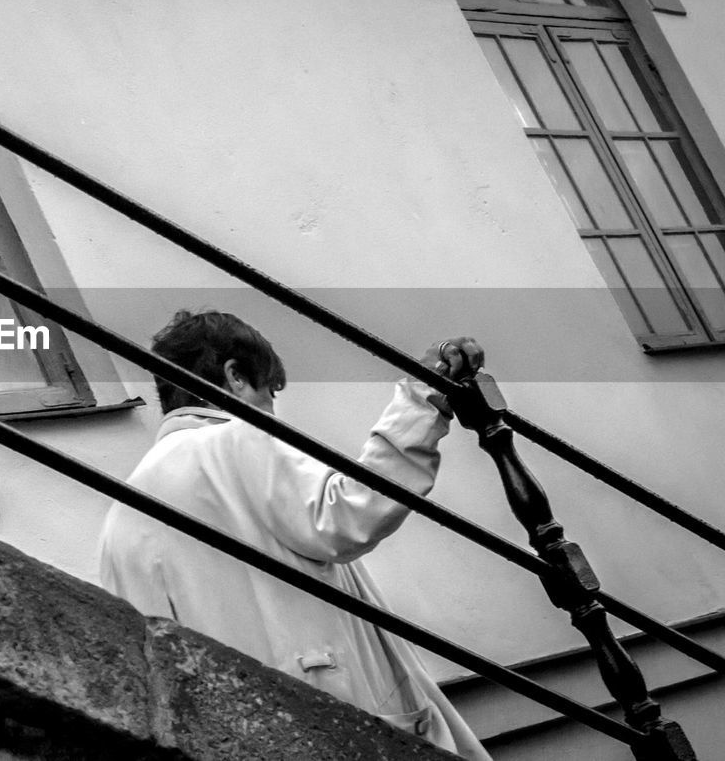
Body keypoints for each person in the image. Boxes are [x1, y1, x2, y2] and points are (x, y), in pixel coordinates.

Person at [98, 310, 491, 760]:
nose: (270, 410)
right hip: (337, 728)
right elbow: (350, 513)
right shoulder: (234, 442)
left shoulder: (121, 513)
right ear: (235, 377)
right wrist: (422, 400)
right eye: (270, 393)